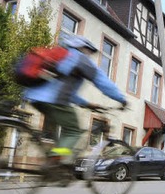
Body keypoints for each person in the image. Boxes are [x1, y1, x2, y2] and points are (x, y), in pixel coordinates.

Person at [24, 34, 127, 166]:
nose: (89, 54)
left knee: (60, 126)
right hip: (54, 100)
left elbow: (65, 91)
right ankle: (55, 160)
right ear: (82, 47)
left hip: (34, 97)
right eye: (89, 50)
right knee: (73, 131)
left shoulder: (61, 57)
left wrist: (86, 104)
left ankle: (55, 155)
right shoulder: (80, 59)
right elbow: (102, 82)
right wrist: (122, 99)